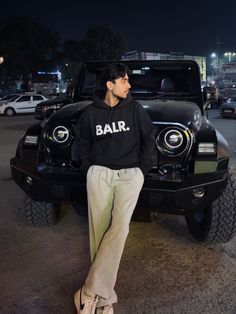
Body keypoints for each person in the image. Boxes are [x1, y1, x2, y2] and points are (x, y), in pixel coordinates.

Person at [74, 63, 155, 314]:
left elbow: (149, 137)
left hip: (129, 175)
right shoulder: (90, 114)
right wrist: (88, 169)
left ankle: (87, 292)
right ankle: (103, 299)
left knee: (119, 228)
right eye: (124, 81)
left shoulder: (134, 109)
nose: (129, 85)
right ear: (110, 85)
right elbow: (82, 143)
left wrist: (142, 170)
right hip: (99, 174)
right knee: (99, 234)